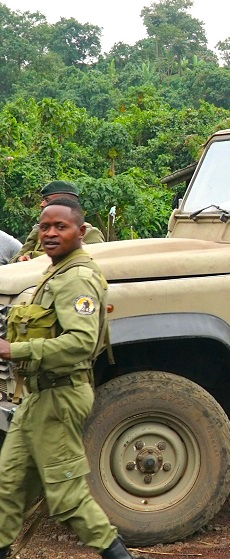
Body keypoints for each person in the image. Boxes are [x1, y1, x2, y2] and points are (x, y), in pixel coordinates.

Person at [0, 198, 135, 559]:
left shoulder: (76, 278)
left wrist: (15, 351)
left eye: (60, 226)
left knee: (67, 495)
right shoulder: (54, 270)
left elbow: (80, 343)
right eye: (45, 227)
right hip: (37, 397)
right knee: (8, 485)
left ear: (81, 230)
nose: (51, 233)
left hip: (61, 396)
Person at [9, 180, 105, 264]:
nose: (41, 204)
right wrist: (19, 259)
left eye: (47, 200)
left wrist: (32, 256)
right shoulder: (39, 231)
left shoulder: (90, 232)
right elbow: (13, 260)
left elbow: (98, 261)